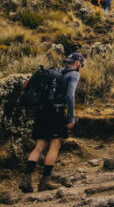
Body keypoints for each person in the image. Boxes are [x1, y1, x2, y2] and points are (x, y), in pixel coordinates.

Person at [19, 52, 84, 193]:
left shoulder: (57, 72)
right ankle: (45, 181)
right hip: (56, 112)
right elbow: (70, 96)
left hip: (42, 111)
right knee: (55, 144)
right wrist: (71, 117)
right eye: (81, 64)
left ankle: (26, 178)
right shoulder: (73, 75)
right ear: (78, 63)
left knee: (40, 145)